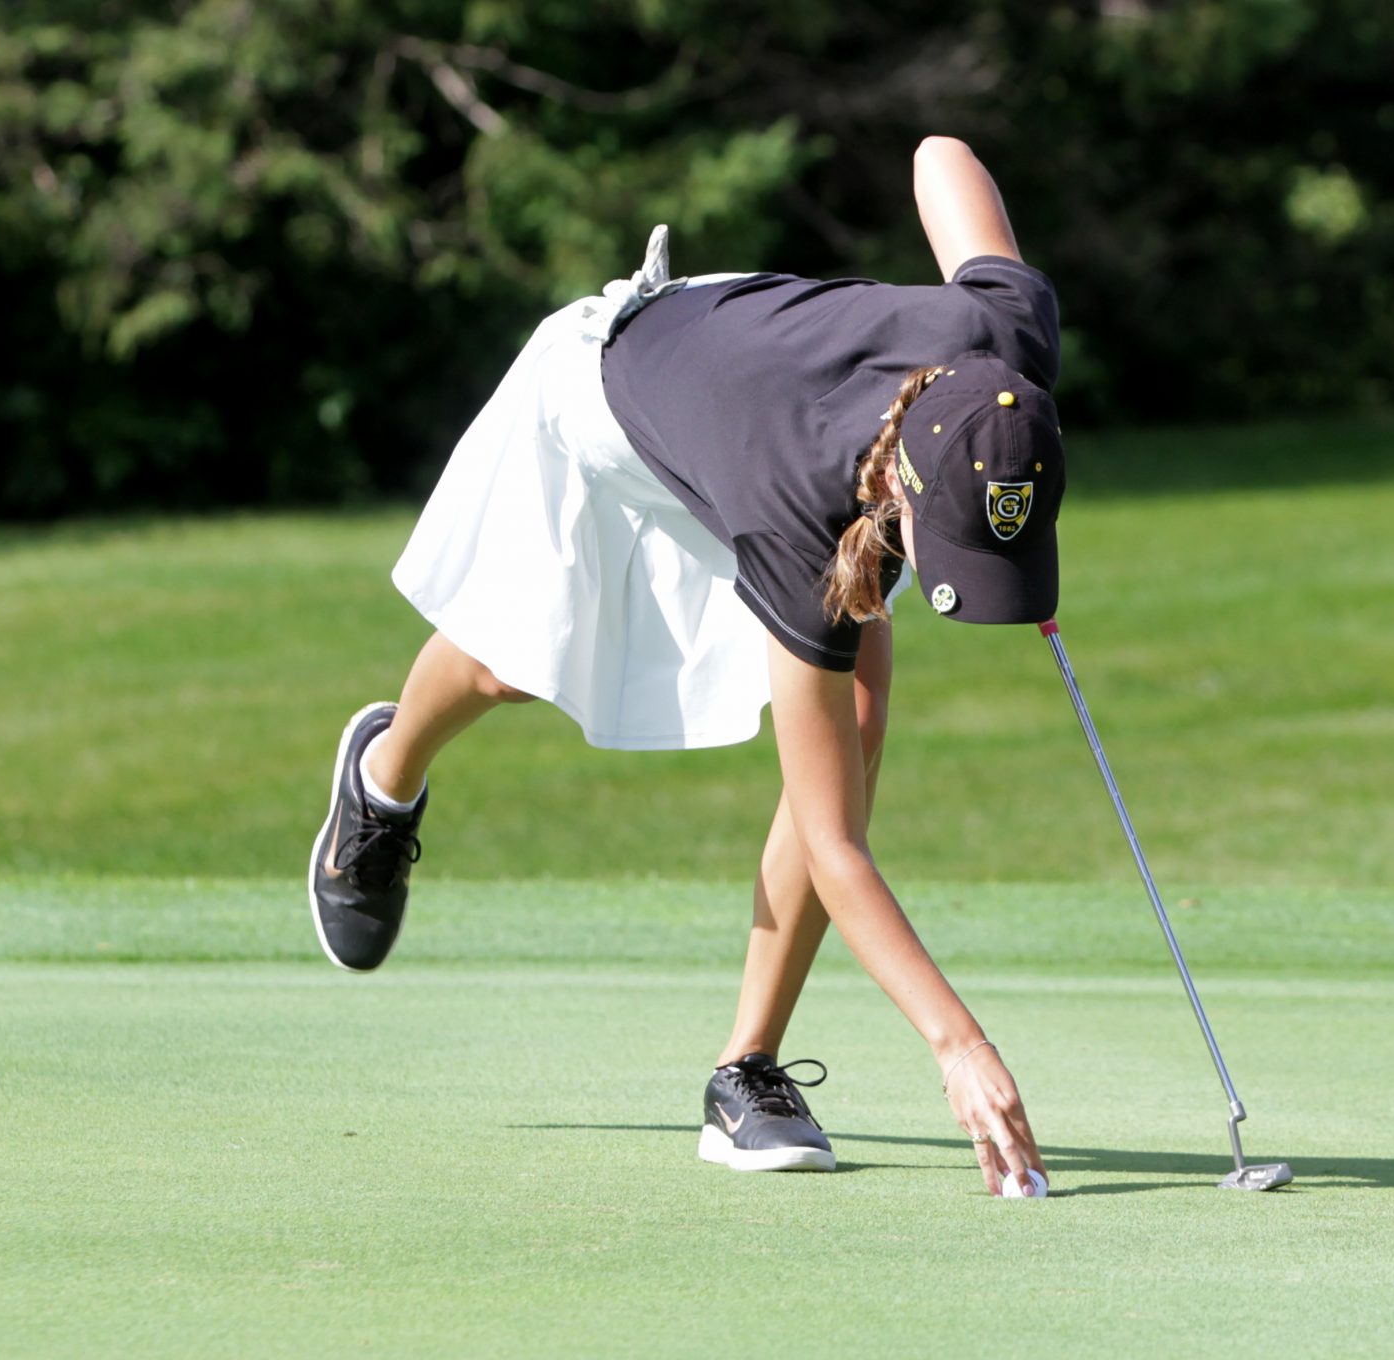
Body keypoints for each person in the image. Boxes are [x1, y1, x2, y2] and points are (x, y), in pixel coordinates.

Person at [306, 136, 1058, 1196]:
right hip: (607, 394)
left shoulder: (1005, 345)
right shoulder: (800, 502)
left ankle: (743, 1069)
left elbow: (941, 155)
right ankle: (381, 777)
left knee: (860, 703)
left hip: (747, 379)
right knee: (513, 663)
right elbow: (834, 843)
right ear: (898, 486)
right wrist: (958, 1043)